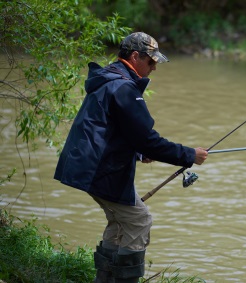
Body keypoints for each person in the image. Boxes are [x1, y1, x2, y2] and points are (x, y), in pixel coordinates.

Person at [54, 32, 208, 283]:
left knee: (119, 222)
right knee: (139, 220)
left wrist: (137, 151)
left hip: (92, 166)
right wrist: (189, 155)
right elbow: (148, 139)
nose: (155, 67)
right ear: (135, 57)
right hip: (99, 169)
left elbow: (111, 128)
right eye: (151, 61)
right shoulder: (123, 87)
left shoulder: (109, 78)